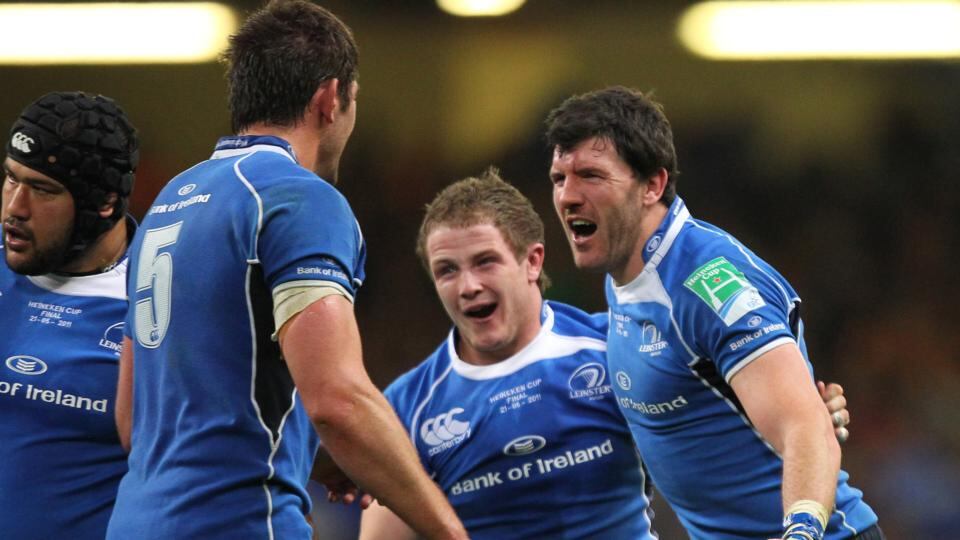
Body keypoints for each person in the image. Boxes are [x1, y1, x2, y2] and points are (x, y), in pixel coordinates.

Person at [106, 2, 465, 539]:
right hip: (239, 524)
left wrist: (308, 453)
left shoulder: (171, 199)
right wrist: (449, 531)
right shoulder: (297, 197)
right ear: (331, 97)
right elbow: (338, 401)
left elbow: (133, 420)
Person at [359, 169, 853, 539]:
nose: (469, 286)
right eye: (447, 270)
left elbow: (732, 414)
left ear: (532, 261)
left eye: (485, 261)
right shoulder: (407, 409)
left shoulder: (613, 350)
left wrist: (810, 415)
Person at [546, 86, 881, 540]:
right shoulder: (626, 275)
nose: (568, 195)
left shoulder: (705, 279)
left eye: (590, 175)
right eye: (559, 178)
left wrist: (801, 531)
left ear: (652, 186)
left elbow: (806, 428)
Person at [0, 91, 139, 538]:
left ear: (103, 204)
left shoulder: (160, 300)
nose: (14, 208)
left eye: (42, 189)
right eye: (10, 179)